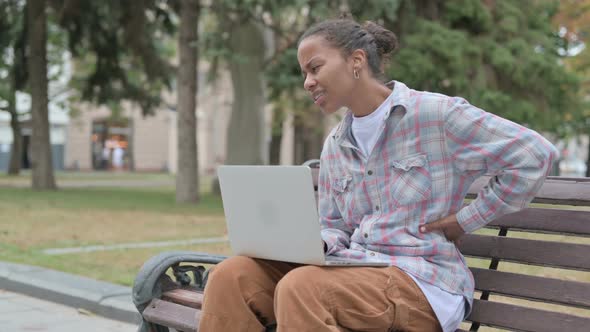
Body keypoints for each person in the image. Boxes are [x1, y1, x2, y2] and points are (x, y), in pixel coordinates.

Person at [198, 18, 558, 332]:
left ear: (356, 61)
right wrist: (316, 243)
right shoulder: (336, 144)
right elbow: (335, 224)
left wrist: (466, 219)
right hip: (352, 271)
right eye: (304, 73)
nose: (307, 82)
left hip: (423, 281)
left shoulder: (435, 114)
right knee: (233, 277)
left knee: (303, 287)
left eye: (315, 67)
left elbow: (534, 155)